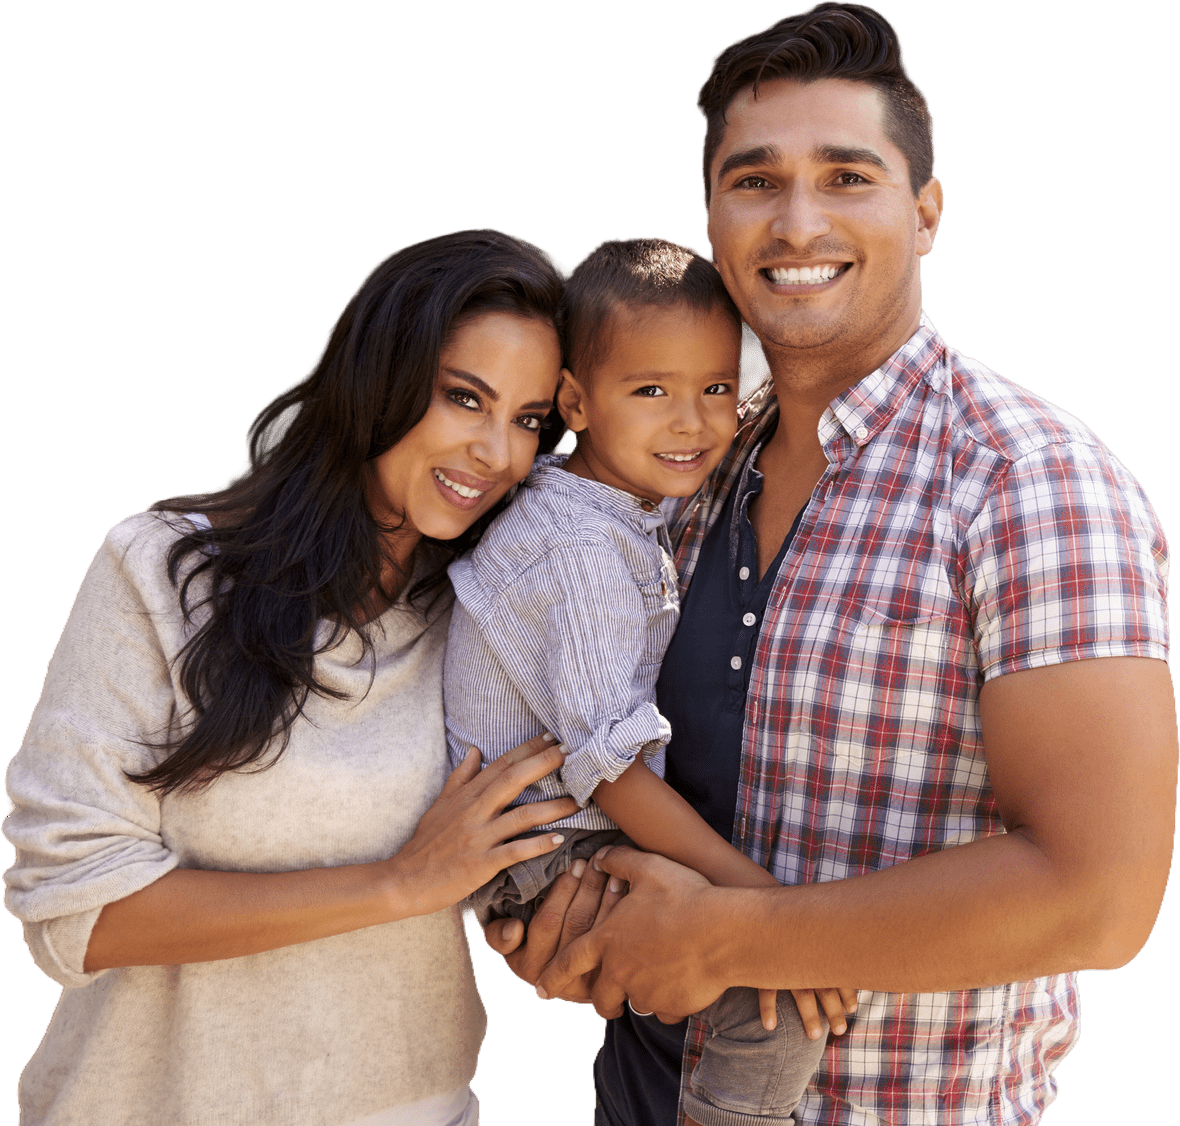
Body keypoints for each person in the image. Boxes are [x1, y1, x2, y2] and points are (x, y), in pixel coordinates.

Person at [493, 6, 1177, 1126]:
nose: (795, 219)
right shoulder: (684, 465)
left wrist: (729, 937)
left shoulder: (1026, 480)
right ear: (713, 222)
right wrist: (567, 923)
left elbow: (1099, 896)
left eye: (846, 176)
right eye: (755, 181)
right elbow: (566, 714)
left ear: (925, 212)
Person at [2, 228, 584, 1126]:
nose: (496, 453)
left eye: (529, 419)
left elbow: (512, 861)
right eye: (464, 398)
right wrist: (399, 884)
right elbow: (73, 911)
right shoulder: (162, 573)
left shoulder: (492, 619)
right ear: (379, 378)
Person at [445, 237, 856, 1126]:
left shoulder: (613, 485)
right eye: (652, 392)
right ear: (575, 403)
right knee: (772, 1001)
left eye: (714, 390)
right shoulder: (581, 552)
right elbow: (614, 771)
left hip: (569, 825)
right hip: (551, 847)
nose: (695, 424)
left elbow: (708, 384)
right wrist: (765, 911)